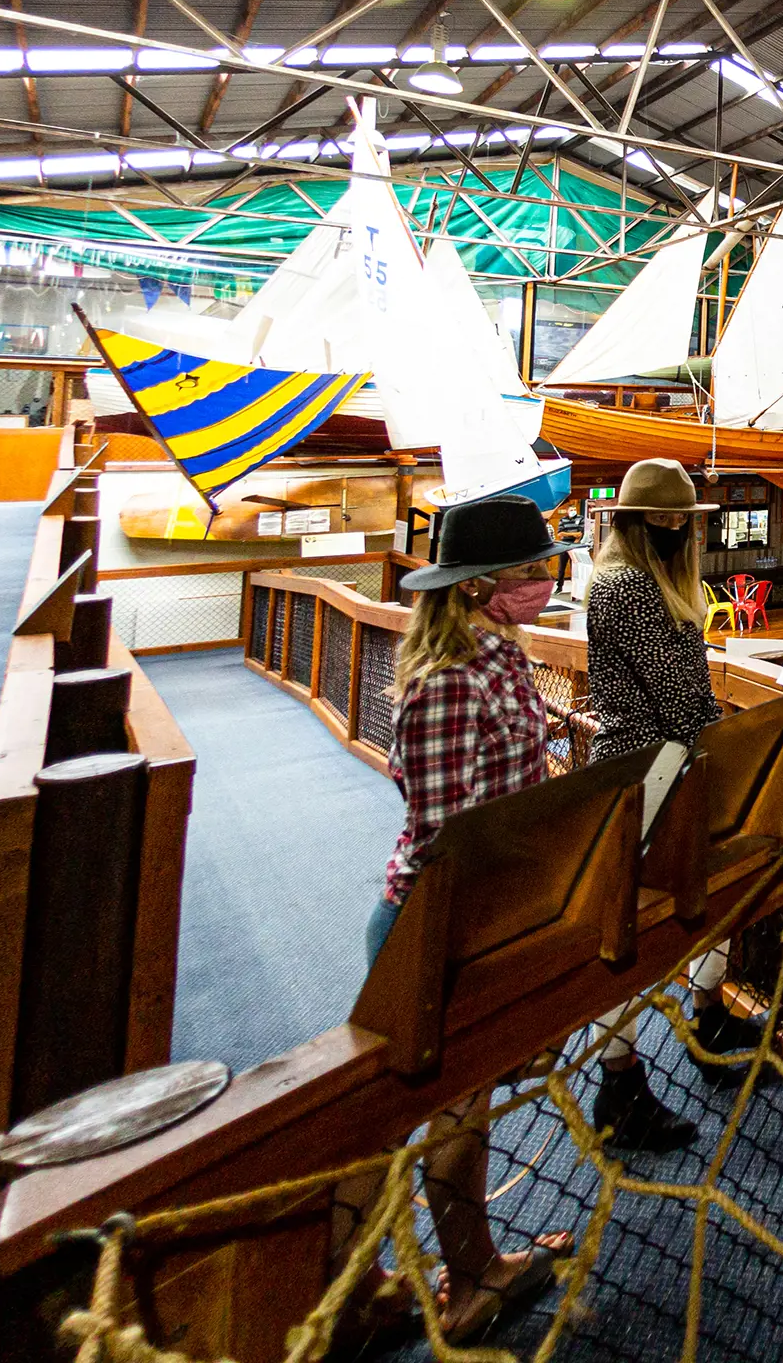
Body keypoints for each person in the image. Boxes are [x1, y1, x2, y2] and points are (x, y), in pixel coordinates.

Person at [345, 492, 570, 1345]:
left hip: (494, 905)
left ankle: (469, 1269)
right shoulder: (445, 684)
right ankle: (380, 1284)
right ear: (477, 587)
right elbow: (449, 834)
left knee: (459, 1106)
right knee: (426, 1107)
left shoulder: (501, 657)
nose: (544, 582)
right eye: (529, 572)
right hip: (436, 919)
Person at [581, 458, 770, 1147]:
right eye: (661, 519)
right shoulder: (627, 588)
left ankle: (705, 1011)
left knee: (706, 890)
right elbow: (674, 692)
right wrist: (729, 748)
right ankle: (619, 1080)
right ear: (634, 523)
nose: (673, 530)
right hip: (648, 770)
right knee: (634, 923)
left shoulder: (648, 582)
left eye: (679, 520)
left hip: (674, 761)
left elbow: (687, 686)